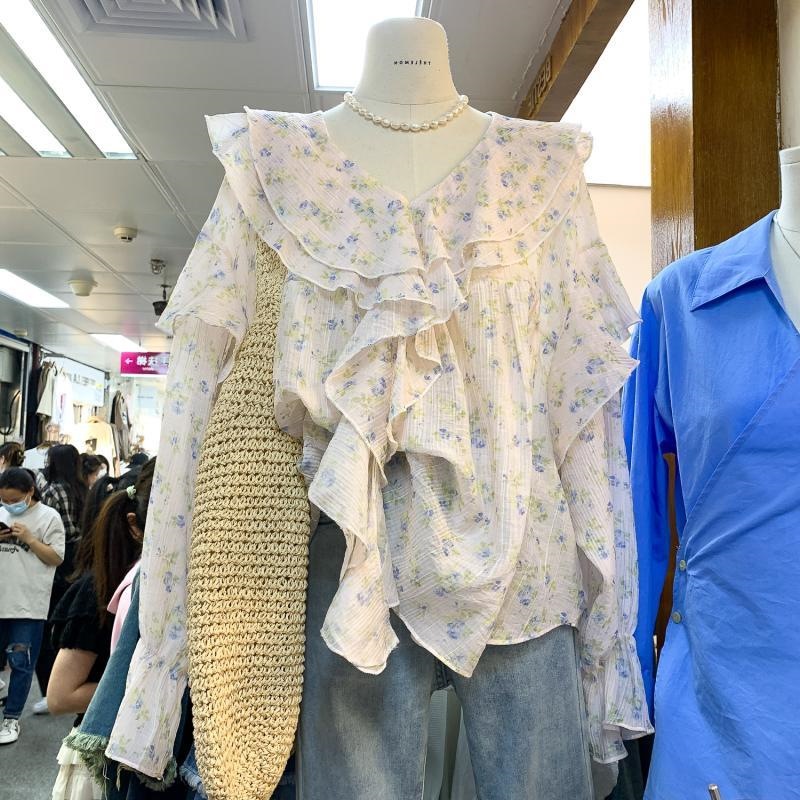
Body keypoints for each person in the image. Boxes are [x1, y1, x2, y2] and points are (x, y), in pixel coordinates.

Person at [48, 460, 155, 799]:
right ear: (135, 525)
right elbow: (60, 696)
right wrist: (148, 686)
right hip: (100, 754)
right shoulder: (101, 588)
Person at [0, 467, 65, 745]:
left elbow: (56, 557)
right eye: (4, 500)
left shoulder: (49, 517)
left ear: (30, 492)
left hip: (28, 605)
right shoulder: (2, 513)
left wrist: (29, 539)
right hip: (2, 598)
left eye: (14, 500)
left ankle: (11, 718)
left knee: (21, 663)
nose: (9, 505)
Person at [35, 444, 88, 713]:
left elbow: (46, 525)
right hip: (81, 556)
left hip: (59, 556)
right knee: (72, 620)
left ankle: (52, 689)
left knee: (50, 623)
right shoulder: (83, 489)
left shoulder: (53, 491)